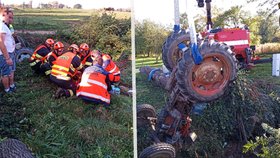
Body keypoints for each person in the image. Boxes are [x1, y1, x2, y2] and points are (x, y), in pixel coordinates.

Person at [0, 7, 16, 93]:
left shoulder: (6, 26)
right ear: (3, 15)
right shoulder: (1, 26)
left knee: (11, 70)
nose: (9, 19)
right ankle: (7, 90)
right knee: (5, 73)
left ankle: (12, 85)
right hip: (5, 55)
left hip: (11, 52)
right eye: (8, 16)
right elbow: (1, 42)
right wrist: (7, 57)